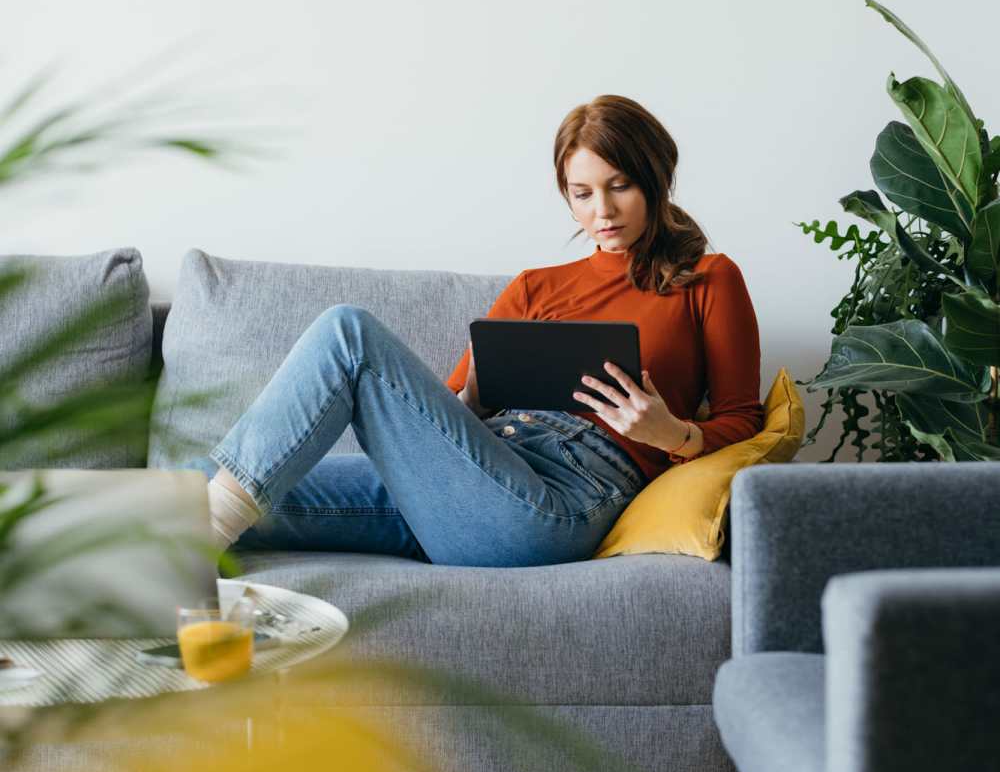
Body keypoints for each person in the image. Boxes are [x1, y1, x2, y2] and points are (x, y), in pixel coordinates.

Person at [194, 94, 764, 568]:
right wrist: (475, 399)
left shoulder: (709, 278)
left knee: (348, 335)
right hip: (473, 481)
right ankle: (163, 567)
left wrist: (672, 435)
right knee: (194, 485)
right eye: (582, 194)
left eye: (620, 186)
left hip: (561, 501)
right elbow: (441, 419)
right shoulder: (534, 286)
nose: (602, 212)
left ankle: (197, 545)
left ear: (655, 179)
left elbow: (744, 418)